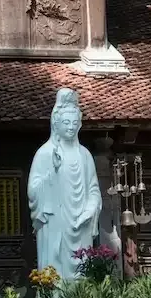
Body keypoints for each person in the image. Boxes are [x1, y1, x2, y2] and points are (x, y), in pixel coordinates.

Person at [27, 88, 102, 285]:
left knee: (81, 268)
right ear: (56, 123)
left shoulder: (85, 155)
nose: (70, 127)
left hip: (81, 222)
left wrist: (90, 209)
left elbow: (94, 189)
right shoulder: (45, 153)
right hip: (55, 222)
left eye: (75, 123)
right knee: (54, 269)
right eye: (66, 123)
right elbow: (33, 191)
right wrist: (52, 172)